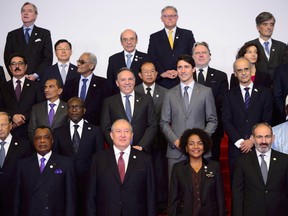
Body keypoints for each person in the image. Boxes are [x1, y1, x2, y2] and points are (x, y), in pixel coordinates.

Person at [160, 54, 217, 181]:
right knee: (175, 192)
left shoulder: (206, 91)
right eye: (180, 67)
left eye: (186, 66)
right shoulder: (169, 94)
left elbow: (212, 120)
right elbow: (164, 122)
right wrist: (175, 141)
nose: (183, 70)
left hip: (200, 151)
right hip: (176, 151)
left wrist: (201, 141)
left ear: (193, 69)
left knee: (200, 191)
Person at [86, 119, 157, 216]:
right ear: (111, 135)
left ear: (131, 135)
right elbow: (91, 194)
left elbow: (151, 194)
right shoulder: (98, 159)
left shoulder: (145, 159)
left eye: (127, 131)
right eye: (118, 131)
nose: (123, 135)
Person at [222, 57, 273, 180]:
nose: (244, 73)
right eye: (240, 70)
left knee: (258, 185)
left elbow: (266, 120)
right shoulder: (228, 95)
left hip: (259, 147)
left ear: (251, 71)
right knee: (236, 185)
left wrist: (252, 140)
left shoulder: (264, 93)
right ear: (235, 74)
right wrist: (240, 142)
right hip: (236, 150)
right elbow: (226, 120)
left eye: (246, 69)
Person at [53, 97, 104, 215]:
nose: (74, 110)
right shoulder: (58, 132)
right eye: (71, 107)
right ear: (67, 111)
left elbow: (99, 158)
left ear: (84, 110)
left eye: (77, 107)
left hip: (88, 181)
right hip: (65, 181)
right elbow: (55, 158)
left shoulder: (95, 131)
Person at [14, 126, 77, 216]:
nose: (42, 141)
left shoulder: (66, 164)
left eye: (46, 137)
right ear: (33, 142)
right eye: (38, 138)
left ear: (52, 141)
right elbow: (16, 200)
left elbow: (70, 199)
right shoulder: (22, 165)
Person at [232, 123, 288, 216]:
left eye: (267, 136)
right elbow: (238, 195)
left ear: (273, 138)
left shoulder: (285, 160)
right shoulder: (242, 162)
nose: (264, 141)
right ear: (253, 139)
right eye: (259, 137)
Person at [135, 61, 168, 214]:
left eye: (152, 71)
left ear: (156, 74)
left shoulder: (166, 92)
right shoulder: (134, 92)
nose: (149, 74)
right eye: (145, 71)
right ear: (140, 75)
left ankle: (160, 203)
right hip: (140, 140)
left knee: (159, 172)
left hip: (160, 140)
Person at [168, 128, 225, 216]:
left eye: (200, 143)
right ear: (186, 147)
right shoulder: (178, 168)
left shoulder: (214, 166)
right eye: (191, 144)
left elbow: (220, 198)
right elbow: (173, 200)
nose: (196, 147)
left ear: (204, 146)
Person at [101, 67, 157, 151]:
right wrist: (118, 146)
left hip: (142, 150)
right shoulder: (109, 102)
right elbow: (106, 128)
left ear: (134, 81)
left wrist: (141, 146)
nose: (127, 83)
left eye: (130, 79)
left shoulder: (146, 99)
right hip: (119, 151)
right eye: (123, 80)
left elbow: (152, 125)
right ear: (117, 83)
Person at [192, 41, 228, 161]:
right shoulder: (185, 75)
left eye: (204, 52)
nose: (201, 55)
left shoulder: (221, 76)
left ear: (210, 56)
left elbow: (221, 101)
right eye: (197, 53)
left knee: (212, 163)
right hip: (190, 126)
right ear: (192, 56)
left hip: (213, 128)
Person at [148, 6, 196, 89]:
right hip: (162, 82)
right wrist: (162, 72)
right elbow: (151, 57)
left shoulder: (187, 34)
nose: (169, 18)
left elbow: (192, 55)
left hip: (183, 79)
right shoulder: (154, 37)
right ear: (161, 19)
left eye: (172, 16)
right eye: (166, 16)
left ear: (177, 17)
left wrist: (179, 70)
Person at [0, 53, 45, 139]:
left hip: (30, 131)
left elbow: (40, 107)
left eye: (20, 63)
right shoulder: (2, 87)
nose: (17, 66)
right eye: (13, 64)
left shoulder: (36, 86)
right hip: (9, 132)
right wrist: (13, 116)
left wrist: (23, 118)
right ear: (9, 68)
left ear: (26, 66)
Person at [4, 2, 53, 80]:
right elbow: (7, 58)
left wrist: (36, 75)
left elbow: (48, 58)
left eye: (30, 11)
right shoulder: (12, 35)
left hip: (37, 81)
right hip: (18, 80)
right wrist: (18, 76)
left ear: (35, 15)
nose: (26, 13)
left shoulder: (44, 33)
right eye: (23, 11)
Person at [62, 52, 111, 126]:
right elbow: (65, 104)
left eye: (82, 62)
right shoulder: (70, 83)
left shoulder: (103, 84)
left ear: (91, 66)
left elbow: (105, 109)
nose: (78, 64)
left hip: (95, 126)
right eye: (78, 61)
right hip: (72, 125)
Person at [0, 112, 31, 216]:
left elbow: (27, 174)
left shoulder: (24, 145)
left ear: (10, 125)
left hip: (15, 199)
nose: (0, 128)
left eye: (3, 125)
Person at [107, 29, 150, 94]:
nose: (129, 42)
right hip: (119, 98)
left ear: (136, 41)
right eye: (125, 39)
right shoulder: (113, 59)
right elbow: (110, 82)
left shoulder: (146, 58)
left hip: (141, 97)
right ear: (121, 42)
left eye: (132, 39)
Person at [246, 12, 287, 79]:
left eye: (272, 24)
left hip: (278, 86)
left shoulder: (282, 46)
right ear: (258, 27)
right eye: (265, 24)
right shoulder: (249, 46)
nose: (269, 27)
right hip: (258, 85)